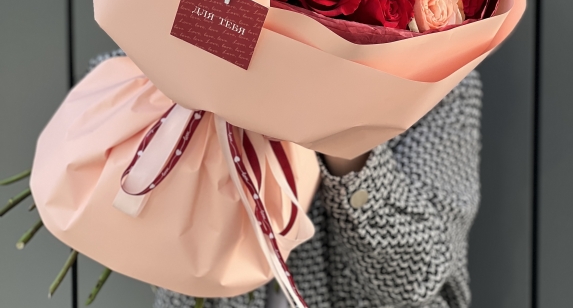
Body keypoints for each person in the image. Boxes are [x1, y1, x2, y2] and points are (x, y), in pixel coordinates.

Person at [91, 52, 482, 308]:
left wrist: (344, 134)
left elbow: (416, 276)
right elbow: (115, 200)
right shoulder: (171, 55)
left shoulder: (436, 82)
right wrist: (197, 84)